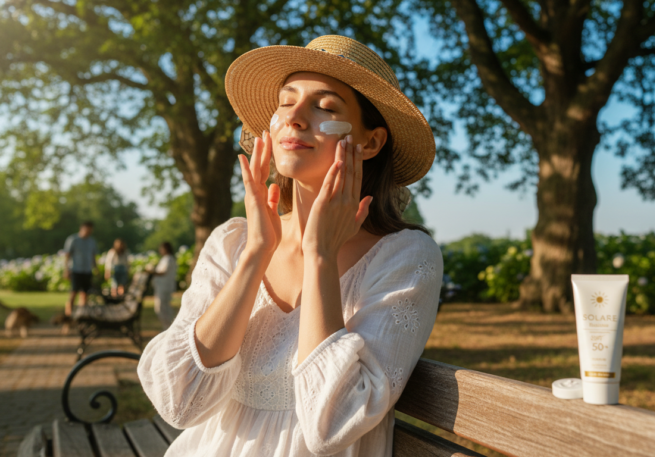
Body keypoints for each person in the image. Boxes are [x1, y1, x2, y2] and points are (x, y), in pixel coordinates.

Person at [137, 35, 442, 457]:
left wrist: (321, 257)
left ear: (370, 142)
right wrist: (255, 255)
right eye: (286, 102)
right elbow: (179, 403)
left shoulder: (405, 257)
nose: (295, 118)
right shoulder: (233, 242)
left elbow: (329, 427)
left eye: (326, 107)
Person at [63, 221, 98, 316]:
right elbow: (67, 255)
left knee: (85, 293)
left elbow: (93, 256)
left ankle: (81, 314)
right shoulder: (73, 239)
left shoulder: (92, 241)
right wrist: (66, 270)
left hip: (87, 270)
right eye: (87, 230)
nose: (89, 232)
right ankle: (68, 315)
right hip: (76, 270)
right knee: (74, 292)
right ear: (82, 228)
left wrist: (96, 268)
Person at [149, 242, 178, 330]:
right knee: (162, 308)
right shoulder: (165, 259)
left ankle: (168, 327)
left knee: (162, 308)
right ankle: (167, 327)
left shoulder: (169, 259)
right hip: (161, 287)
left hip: (164, 287)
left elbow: (162, 272)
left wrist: (151, 271)